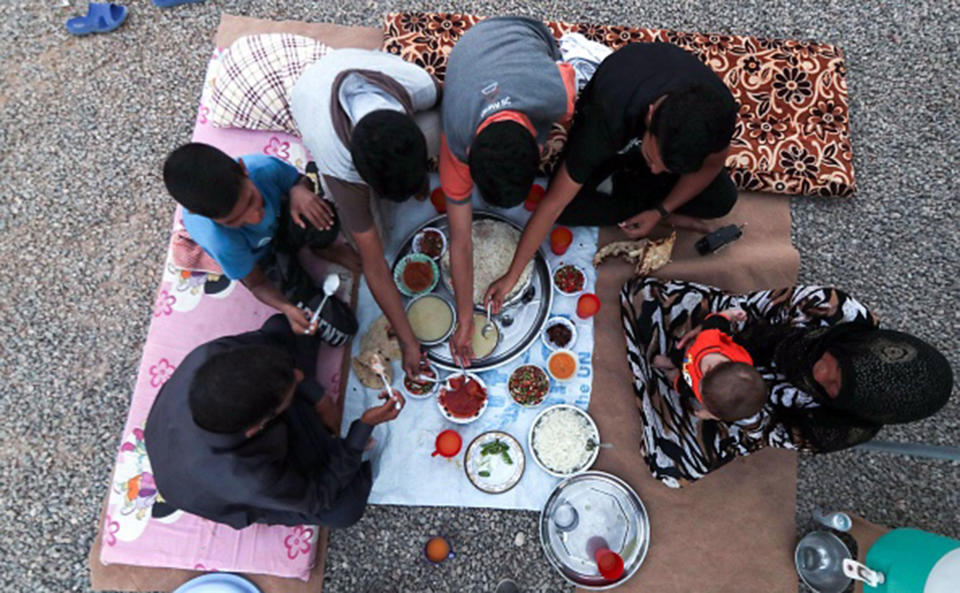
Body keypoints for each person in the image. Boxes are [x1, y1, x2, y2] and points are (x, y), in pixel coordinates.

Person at [621, 278, 954, 488]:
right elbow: (752, 308)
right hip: (740, 341)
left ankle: (671, 385)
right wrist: (712, 334)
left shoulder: (838, 429)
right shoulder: (832, 310)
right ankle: (668, 377)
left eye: (833, 387)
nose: (820, 374)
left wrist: (729, 411)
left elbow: (769, 431)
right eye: (833, 361)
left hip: (745, 410)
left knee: (672, 464)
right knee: (645, 298)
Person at [485, 42, 738, 313]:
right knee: (569, 209)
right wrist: (512, 276)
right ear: (651, 116)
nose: (655, 172)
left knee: (722, 200)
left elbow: (711, 167)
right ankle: (637, 190)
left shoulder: (718, 113)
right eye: (653, 160)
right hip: (614, 128)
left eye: (666, 169)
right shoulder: (609, 114)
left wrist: (660, 210)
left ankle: (644, 199)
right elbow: (554, 203)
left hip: (658, 145)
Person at [144, 313, 404, 529]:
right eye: (291, 388)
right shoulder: (247, 477)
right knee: (344, 509)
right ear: (258, 427)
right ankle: (324, 441)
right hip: (230, 486)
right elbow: (317, 496)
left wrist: (319, 398)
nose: (300, 375)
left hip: (237, 422)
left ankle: (306, 417)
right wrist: (361, 430)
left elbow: (272, 349)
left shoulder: (212, 355)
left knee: (286, 325)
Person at [289, 48, 440, 378]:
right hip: (312, 98)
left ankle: (410, 178)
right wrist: (408, 341)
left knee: (440, 126)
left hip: (354, 80)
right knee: (378, 245)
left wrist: (417, 176)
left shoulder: (418, 86)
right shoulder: (341, 163)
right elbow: (373, 263)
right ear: (363, 178)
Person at [439, 16, 577, 365]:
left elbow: (564, 71)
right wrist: (465, 315)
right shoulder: (455, 139)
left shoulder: (560, 96)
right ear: (469, 157)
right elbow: (460, 239)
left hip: (525, 31)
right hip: (469, 49)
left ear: (538, 149)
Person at [163, 144, 359, 335]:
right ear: (205, 217)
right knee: (340, 330)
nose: (254, 217)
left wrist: (299, 191)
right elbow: (257, 283)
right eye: (235, 221)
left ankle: (322, 247)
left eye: (251, 200)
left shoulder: (263, 168)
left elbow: (299, 181)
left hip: (284, 217)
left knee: (320, 212)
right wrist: (286, 308)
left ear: (243, 169)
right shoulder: (221, 243)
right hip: (263, 258)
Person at [654, 309, 767, 423]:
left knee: (681, 386)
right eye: (702, 393)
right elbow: (717, 320)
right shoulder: (709, 339)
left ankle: (675, 377)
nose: (702, 399)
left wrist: (708, 414)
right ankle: (671, 361)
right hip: (688, 356)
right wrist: (731, 313)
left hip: (688, 382)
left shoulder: (719, 401)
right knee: (678, 354)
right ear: (708, 370)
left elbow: (719, 412)